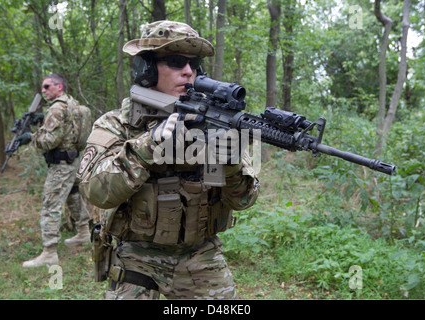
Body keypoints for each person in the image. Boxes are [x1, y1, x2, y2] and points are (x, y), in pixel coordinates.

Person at [77, 20, 259, 299]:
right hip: (136, 255)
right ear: (146, 70)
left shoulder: (213, 124)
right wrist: (148, 145)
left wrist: (231, 164)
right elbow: (95, 192)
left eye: (194, 63)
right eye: (175, 62)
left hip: (199, 255)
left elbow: (243, 201)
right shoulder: (119, 124)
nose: (188, 72)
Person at [17, 73, 91, 268]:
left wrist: (31, 138)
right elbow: (68, 129)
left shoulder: (57, 108)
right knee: (74, 195)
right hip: (74, 160)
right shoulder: (72, 104)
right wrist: (43, 121)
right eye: (43, 87)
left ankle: (49, 252)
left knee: (51, 204)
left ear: (59, 87)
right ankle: (84, 233)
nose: (43, 91)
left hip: (61, 165)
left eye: (47, 86)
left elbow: (50, 141)